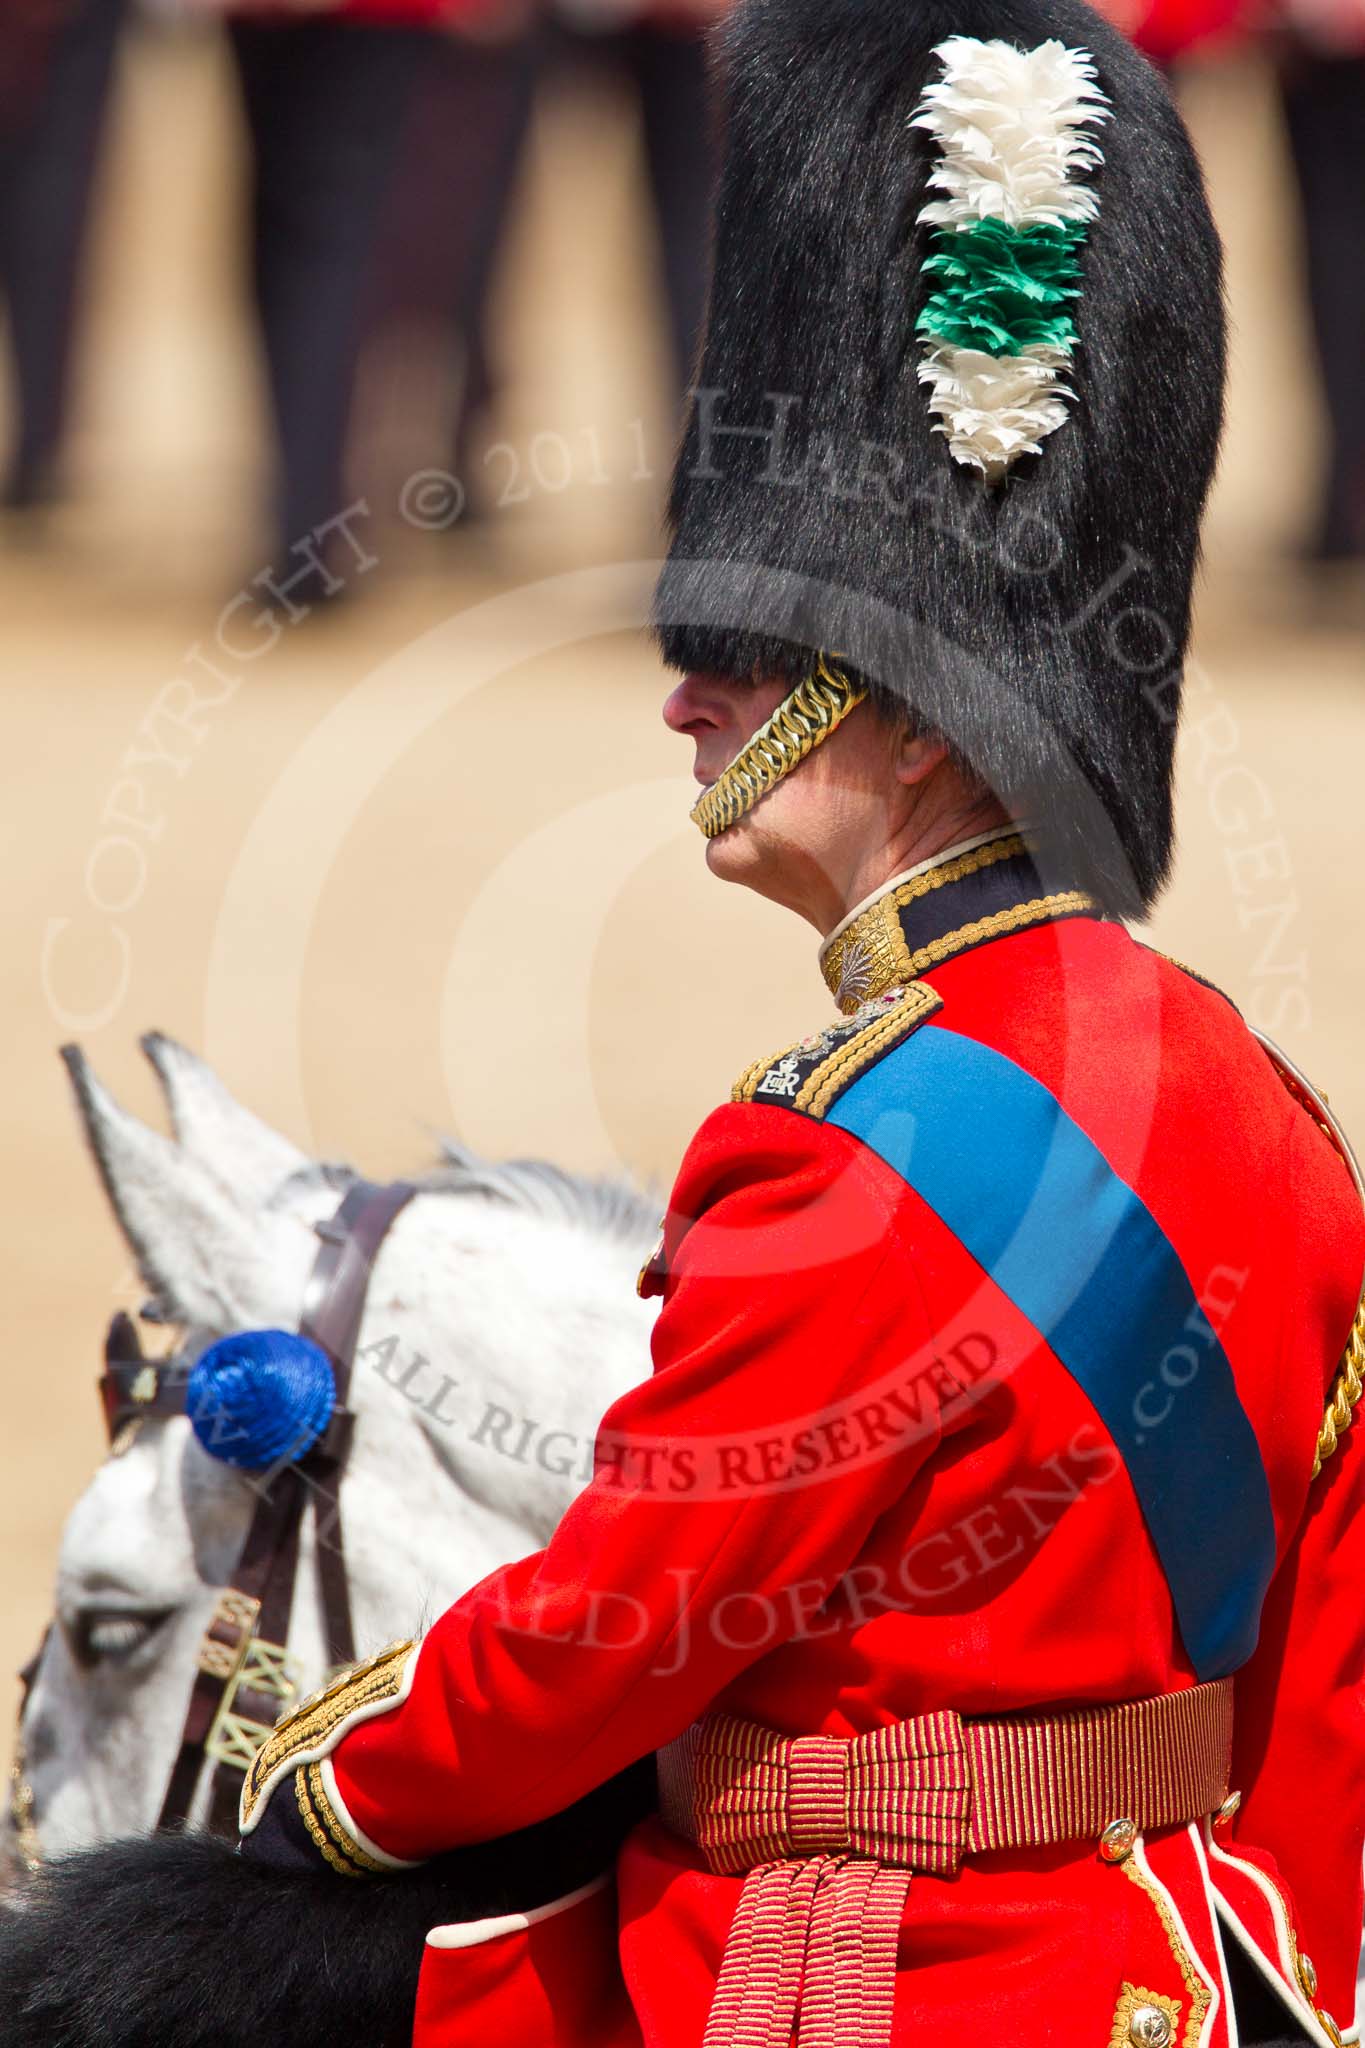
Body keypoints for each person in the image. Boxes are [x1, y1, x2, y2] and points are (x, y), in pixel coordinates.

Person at [226, 0, 1365, 2044]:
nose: (684, 699)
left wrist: (304, 1778)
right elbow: (1320, 1671)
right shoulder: (1249, 1096)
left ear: (909, 709)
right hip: (1186, 1977)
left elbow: (602, 1640)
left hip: (857, 1989)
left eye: (747, 660)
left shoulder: (836, 1151)